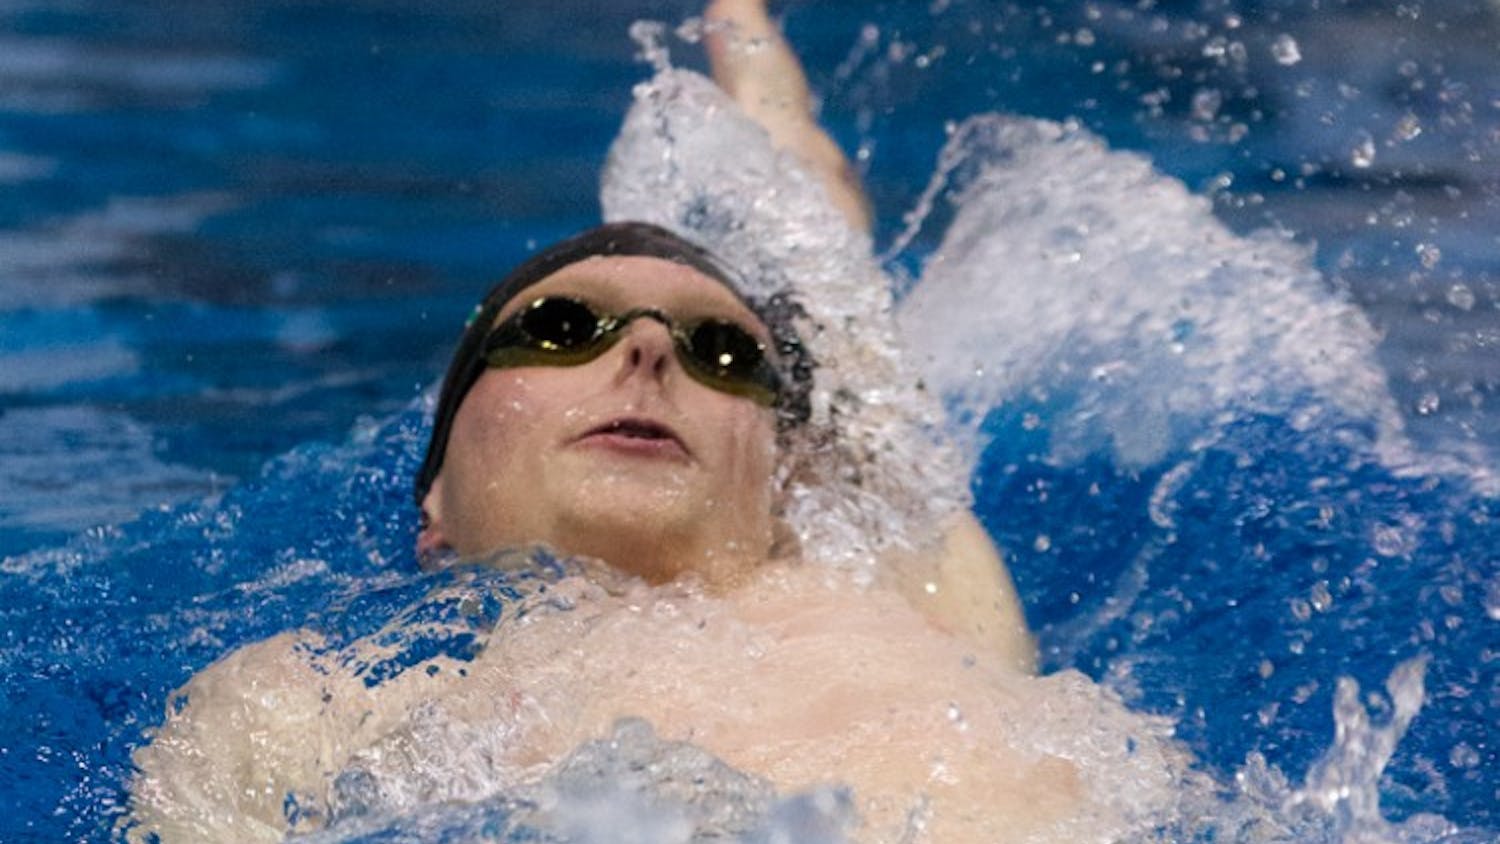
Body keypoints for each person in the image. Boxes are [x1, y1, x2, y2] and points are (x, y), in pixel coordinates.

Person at [127, 2, 1185, 841]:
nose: (648, 351)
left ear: (784, 482)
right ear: (434, 495)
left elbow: (818, 242)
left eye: (723, 351)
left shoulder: (908, 589)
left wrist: (744, 23)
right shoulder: (303, 717)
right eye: (560, 328)